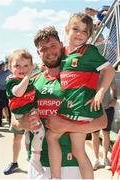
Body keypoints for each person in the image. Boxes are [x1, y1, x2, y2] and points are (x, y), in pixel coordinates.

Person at [12, 26, 109, 179]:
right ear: (38, 53)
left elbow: (102, 121)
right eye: (43, 49)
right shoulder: (32, 81)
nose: (49, 52)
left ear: (61, 45)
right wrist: (24, 123)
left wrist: (69, 126)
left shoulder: (81, 78)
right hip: (40, 165)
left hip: (73, 165)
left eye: (53, 46)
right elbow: (14, 120)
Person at [45, 13, 115, 179]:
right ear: (67, 29)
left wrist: (100, 93)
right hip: (69, 106)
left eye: (85, 32)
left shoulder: (89, 51)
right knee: (78, 151)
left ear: (89, 35)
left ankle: (55, 177)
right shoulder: (63, 52)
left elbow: (109, 70)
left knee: (51, 135)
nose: (80, 34)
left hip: (80, 107)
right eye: (76, 29)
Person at [5, 49, 45, 176]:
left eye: (26, 66)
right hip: (20, 113)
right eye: (17, 66)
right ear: (10, 67)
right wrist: (27, 76)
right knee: (21, 136)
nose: (21, 69)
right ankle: (19, 161)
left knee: (33, 134)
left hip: (29, 111)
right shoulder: (12, 80)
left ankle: (32, 157)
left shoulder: (31, 78)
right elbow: (18, 92)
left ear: (31, 66)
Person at [92, 78, 117, 170]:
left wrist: (114, 98)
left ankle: (105, 158)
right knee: (94, 134)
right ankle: (96, 159)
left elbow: (114, 88)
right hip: (94, 107)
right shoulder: (92, 71)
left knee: (106, 133)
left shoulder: (108, 72)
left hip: (108, 108)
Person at [0, 60, 11, 127]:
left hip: (0, 92)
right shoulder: (7, 72)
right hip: (7, 91)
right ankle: (10, 122)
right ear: (2, 66)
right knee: (9, 107)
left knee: (0, 108)